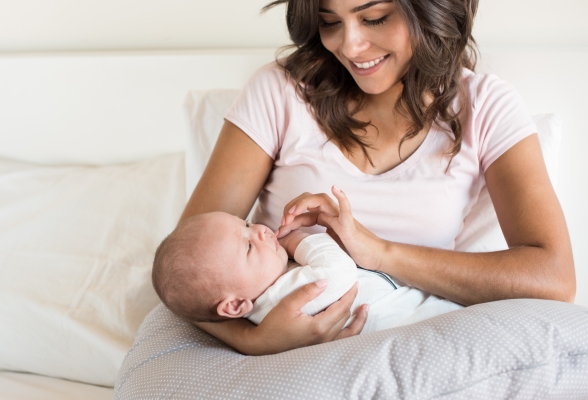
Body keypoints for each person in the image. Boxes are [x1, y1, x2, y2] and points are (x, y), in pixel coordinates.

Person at [180, 0, 575, 356]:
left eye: (374, 18)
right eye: (330, 21)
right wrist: (257, 341)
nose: (349, 46)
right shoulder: (279, 91)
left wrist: (379, 252)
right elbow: (185, 272)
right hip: (282, 350)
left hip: (411, 344)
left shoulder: (486, 107)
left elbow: (553, 277)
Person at [153, 187, 463, 334]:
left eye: (246, 224)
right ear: (235, 306)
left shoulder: (266, 289)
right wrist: (298, 242)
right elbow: (337, 273)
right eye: (248, 246)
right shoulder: (277, 301)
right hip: (418, 317)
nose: (261, 230)